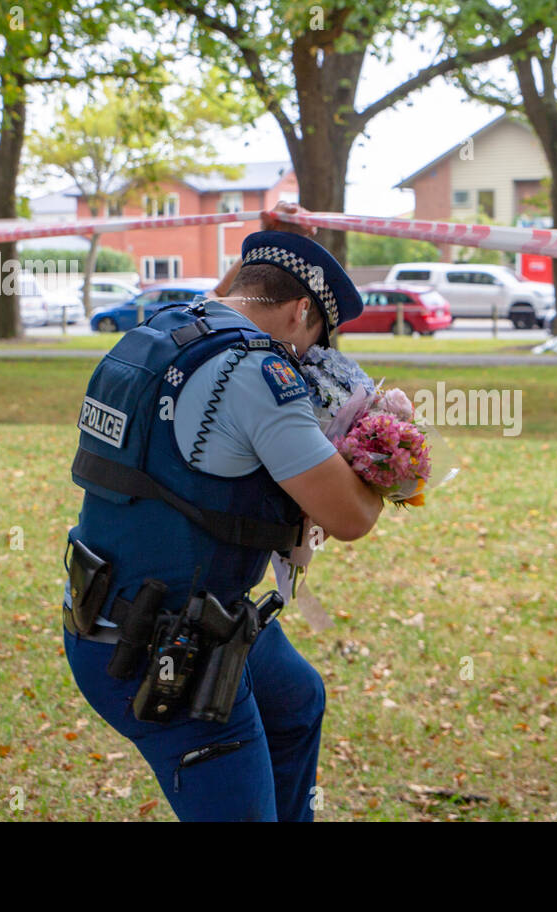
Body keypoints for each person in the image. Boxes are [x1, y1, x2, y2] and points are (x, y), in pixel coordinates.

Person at [61, 203, 383, 821]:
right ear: (301, 314)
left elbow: (234, 295)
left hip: (112, 611)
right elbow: (350, 518)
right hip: (168, 651)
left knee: (296, 699)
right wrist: (387, 450)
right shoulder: (262, 377)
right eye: (318, 340)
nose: (313, 362)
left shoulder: (169, 328)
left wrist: (273, 244)